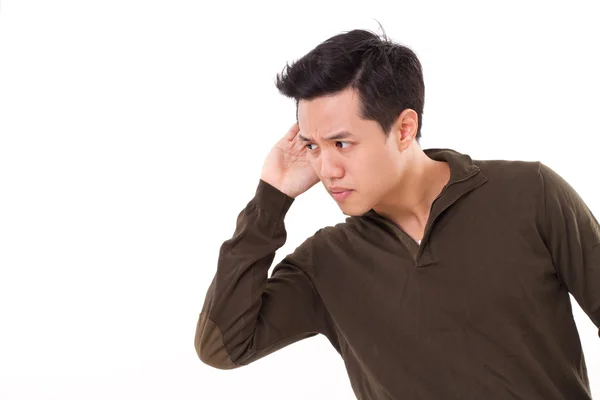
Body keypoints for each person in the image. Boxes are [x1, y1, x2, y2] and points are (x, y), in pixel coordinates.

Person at [194, 27, 599, 399]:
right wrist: (271, 198)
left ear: (404, 128)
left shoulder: (529, 194)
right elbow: (223, 347)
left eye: (342, 143)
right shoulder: (327, 262)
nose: (326, 169)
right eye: (313, 146)